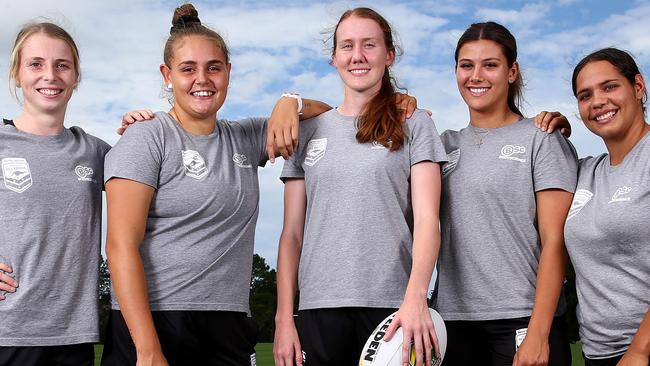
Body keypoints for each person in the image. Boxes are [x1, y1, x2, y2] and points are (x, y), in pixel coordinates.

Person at [99, 3, 373, 365]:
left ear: (228, 72)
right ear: (167, 75)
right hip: (156, 322)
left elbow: (333, 118)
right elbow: (119, 247)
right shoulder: (147, 138)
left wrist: (289, 102)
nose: (202, 79)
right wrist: (148, 350)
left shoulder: (245, 137)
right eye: (188, 69)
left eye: (214, 68)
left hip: (228, 321)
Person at [273, 7, 447, 366]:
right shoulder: (307, 132)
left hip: (392, 308)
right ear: (334, 57)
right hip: (317, 309)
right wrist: (283, 319)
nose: (358, 56)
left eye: (369, 45)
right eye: (347, 46)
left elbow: (429, 220)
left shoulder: (414, 124)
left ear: (389, 55)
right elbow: (292, 235)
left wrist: (416, 297)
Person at [433, 21, 578, 366]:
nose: (476, 75)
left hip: (522, 320)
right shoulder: (443, 145)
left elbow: (554, 240)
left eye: (490, 65)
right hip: (454, 321)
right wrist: (296, 104)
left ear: (512, 72)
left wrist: (539, 333)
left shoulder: (541, 137)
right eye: (466, 65)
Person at [0, 22, 111, 366]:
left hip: (73, 337)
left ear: (76, 76)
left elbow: (157, 178)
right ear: (17, 73)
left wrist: (141, 127)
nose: (50, 75)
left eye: (62, 65)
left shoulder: (95, 152)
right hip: (8, 331)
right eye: (35, 64)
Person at [563, 47, 650, 366]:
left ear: (638, 87)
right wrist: (545, 131)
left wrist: (640, 351)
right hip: (598, 352)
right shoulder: (584, 172)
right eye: (585, 96)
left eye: (610, 87)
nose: (597, 101)